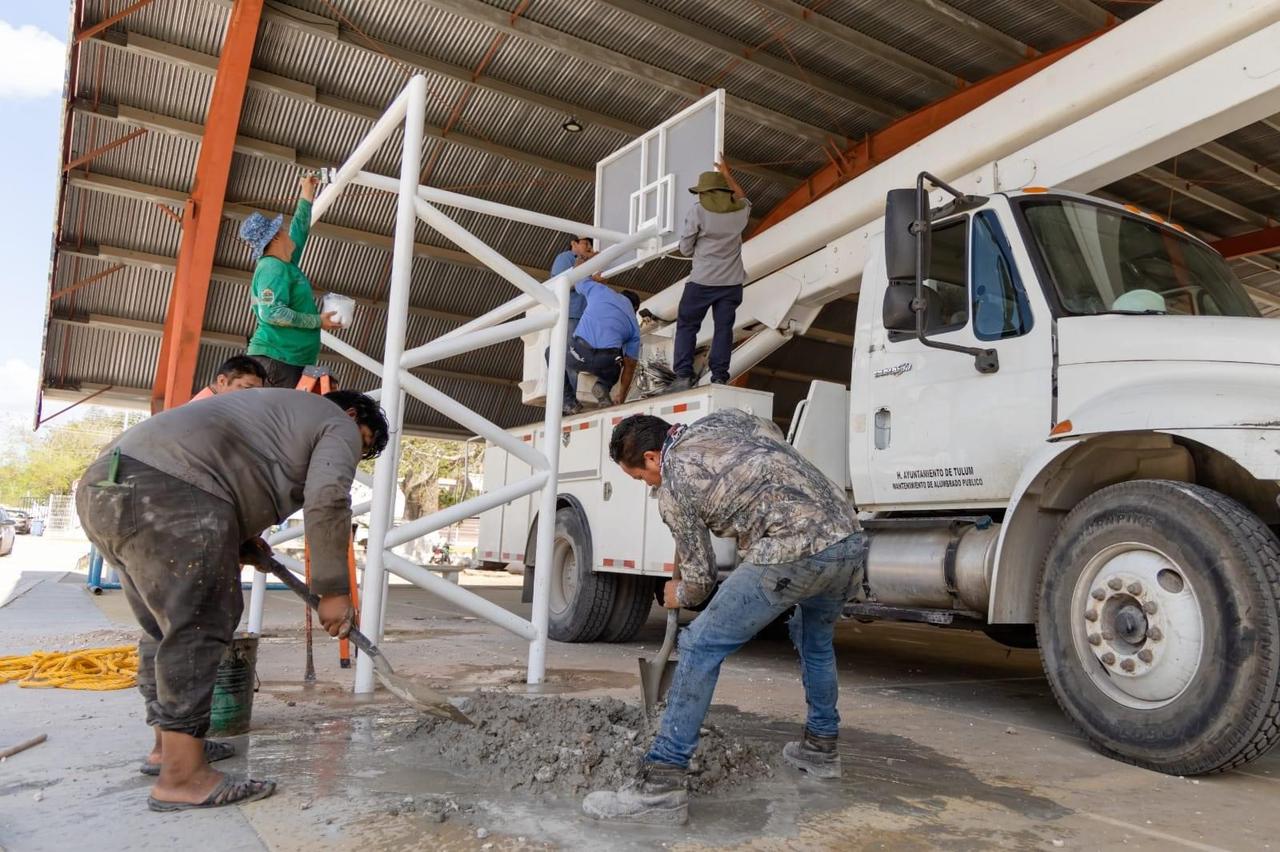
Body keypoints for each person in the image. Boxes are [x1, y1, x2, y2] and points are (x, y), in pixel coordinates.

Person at [76, 389, 388, 812]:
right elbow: (329, 499)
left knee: (164, 626)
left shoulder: (276, 414)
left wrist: (238, 536)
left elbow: (229, 468)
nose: (355, 451)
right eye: (364, 442)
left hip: (108, 487)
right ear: (353, 415)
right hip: (168, 488)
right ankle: (182, 778)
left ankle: (168, 749)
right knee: (200, 621)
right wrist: (333, 590)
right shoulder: (336, 422)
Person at [584, 410, 867, 825]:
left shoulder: (674, 486)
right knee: (815, 640)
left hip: (793, 550)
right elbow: (768, 429)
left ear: (650, 458)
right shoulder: (723, 422)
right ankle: (820, 749)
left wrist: (675, 592)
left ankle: (661, 785)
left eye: (640, 478)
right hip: (849, 537)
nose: (647, 486)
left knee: (699, 644)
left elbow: (699, 581)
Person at [240, 175, 342, 389]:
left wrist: (307, 193)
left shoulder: (284, 264)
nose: (288, 232)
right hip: (277, 360)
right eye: (282, 229)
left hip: (287, 359)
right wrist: (317, 321)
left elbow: (300, 229)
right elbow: (273, 312)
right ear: (276, 237)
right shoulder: (273, 268)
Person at [668, 161, 751, 392]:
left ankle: (683, 375)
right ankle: (720, 376)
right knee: (723, 329)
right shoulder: (740, 212)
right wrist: (727, 174)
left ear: (704, 193)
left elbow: (685, 249)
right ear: (726, 192)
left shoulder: (698, 210)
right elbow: (743, 196)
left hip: (702, 282)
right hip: (732, 283)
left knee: (687, 326)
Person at [551, 280, 642, 415]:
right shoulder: (634, 325)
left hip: (578, 354)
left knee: (550, 353)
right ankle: (602, 386)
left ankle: (569, 401)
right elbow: (630, 367)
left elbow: (577, 278)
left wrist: (593, 279)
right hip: (604, 361)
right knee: (618, 365)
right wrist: (621, 396)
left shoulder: (601, 291)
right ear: (634, 309)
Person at [549, 235, 597, 340]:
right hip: (570, 314)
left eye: (591, 245)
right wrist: (592, 280)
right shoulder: (565, 258)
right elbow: (560, 285)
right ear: (574, 243)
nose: (590, 247)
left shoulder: (589, 264)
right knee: (569, 349)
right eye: (586, 243)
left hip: (584, 315)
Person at [189, 354, 267, 402]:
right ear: (222, 381)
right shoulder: (206, 408)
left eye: (257, 391)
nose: (253, 397)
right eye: (247, 388)